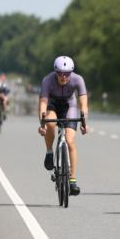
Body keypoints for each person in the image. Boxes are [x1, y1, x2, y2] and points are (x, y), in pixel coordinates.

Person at [38, 56, 89, 195]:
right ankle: (49, 151)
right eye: (60, 73)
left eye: (67, 74)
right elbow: (43, 103)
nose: (63, 77)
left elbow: (83, 104)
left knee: (70, 141)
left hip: (69, 106)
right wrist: (42, 124)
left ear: (71, 73)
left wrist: (85, 122)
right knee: (51, 124)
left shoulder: (78, 79)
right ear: (55, 72)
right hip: (52, 105)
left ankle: (72, 181)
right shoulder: (47, 80)